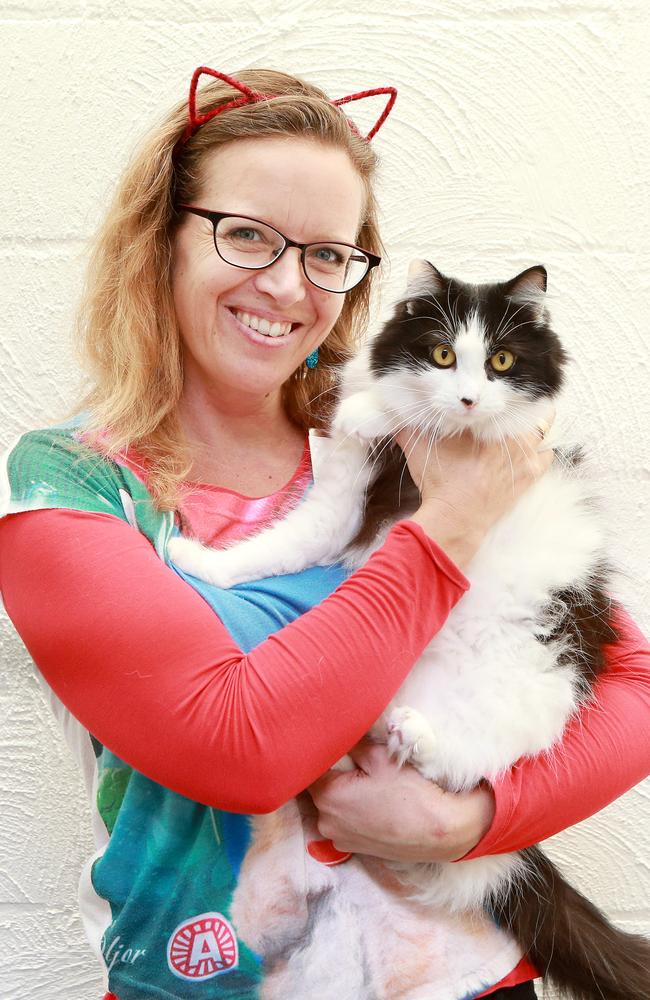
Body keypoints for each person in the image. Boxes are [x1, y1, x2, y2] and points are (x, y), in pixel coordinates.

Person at [0, 66, 648, 1000]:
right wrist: (455, 522)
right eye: (248, 234)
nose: (286, 284)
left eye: (327, 254)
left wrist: (471, 821)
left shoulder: (400, 444)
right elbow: (243, 747)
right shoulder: (75, 483)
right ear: (162, 240)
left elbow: (633, 685)